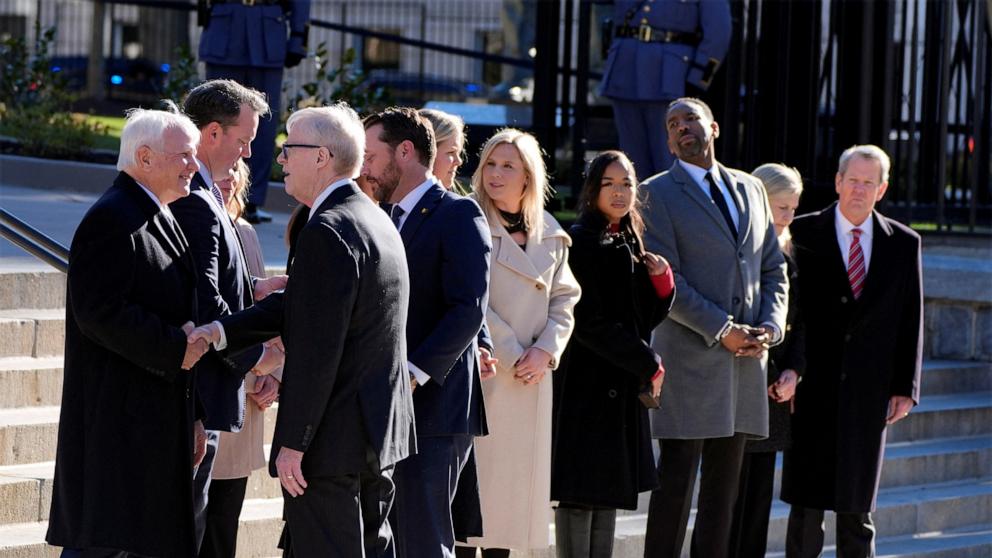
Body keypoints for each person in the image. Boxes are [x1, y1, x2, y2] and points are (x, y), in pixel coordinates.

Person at [189, 104, 416, 557]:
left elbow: (317, 349)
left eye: (289, 149)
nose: (281, 160)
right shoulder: (371, 218)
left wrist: (294, 442)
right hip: (375, 432)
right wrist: (221, 330)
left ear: (321, 157)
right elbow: (304, 308)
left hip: (332, 443)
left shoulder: (329, 229)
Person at [46, 108, 210, 557]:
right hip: (115, 430)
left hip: (148, 422)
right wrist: (177, 346)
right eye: (184, 155)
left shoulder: (155, 211)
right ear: (145, 156)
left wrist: (193, 414)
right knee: (101, 545)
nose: (194, 166)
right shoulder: (112, 217)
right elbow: (98, 313)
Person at [639, 97, 788, 558]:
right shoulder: (655, 192)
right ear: (667, 139)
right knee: (676, 487)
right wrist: (724, 330)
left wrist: (770, 325)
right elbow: (669, 281)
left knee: (725, 494)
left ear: (714, 127)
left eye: (690, 119)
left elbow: (772, 267)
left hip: (746, 364)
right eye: (672, 124)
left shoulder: (750, 188)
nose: (682, 128)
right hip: (691, 360)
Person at [362, 107, 492, 558]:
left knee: (423, 540)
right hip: (388, 409)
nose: (365, 167)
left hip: (435, 411)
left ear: (405, 151)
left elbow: (467, 310)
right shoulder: (381, 216)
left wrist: (413, 376)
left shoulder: (458, 214)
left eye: (370, 155)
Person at [781, 145, 923, 558]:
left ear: (882, 189)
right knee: (806, 507)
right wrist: (789, 370)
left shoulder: (904, 243)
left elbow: (910, 319)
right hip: (812, 385)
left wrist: (905, 387)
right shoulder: (804, 232)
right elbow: (793, 311)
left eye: (869, 183)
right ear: (838, 181)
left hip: (869, 390)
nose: (859, 190)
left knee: (858, 509)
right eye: (852, 180)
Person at [456, 129, 582, 558]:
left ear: (528, 175)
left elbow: (565, 296)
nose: (495, 173)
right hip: (487, 372)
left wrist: (547, 348)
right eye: (490, 163)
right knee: (474, 506)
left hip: (532, 378)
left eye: (507, 165)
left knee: (510, 510)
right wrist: (512, 351)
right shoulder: (467, 218)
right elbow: (469, 296)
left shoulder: (548, 229)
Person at [173, 78, 285, 553]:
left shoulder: (208, 192)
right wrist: (257, 354)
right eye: (243, 140)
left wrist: (256, 288)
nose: (246, 154)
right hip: (191, 389)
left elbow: (215, 280)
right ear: (212, 134)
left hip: (207, 390)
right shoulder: (192, 195)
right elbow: (202, 300)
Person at [551, 150, 674, 558]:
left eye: (626, 184)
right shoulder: (583, 239)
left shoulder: (628, 235)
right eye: (610, 184)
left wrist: (662, 285)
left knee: (606, 494)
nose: (619, 192)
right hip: (586, 387)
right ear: (593, 188)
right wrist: (647, 360)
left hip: (618, 384)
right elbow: (587, 321)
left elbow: (642, 318)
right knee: (581, 494)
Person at [200, 160, 285, 558]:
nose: (232, 174)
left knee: (224, 522)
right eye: (224, 167)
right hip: (218, 392)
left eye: (238, 168)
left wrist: (274, 375)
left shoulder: (247, 233)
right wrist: (259, 367)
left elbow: (261, 316)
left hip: (246, 397)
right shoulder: (201, 226)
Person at [727, 163, 806, 558]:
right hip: (737, 384)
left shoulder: (792, 251)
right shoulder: (739, 247)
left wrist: (795, 371)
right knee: (727, 499)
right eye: (781, 207)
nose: (788, 217)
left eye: (793, 208)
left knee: (758, 502)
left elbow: (800, 320)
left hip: (775, 393)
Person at [197, 0, 311, 223]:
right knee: (214, 120)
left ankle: (251, 201)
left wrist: (299, 36)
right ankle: (208, 189)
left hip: (267, 27)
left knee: (263, 126)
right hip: (225, 27)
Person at [600, 0, 731, 179]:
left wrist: (697, 78)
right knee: (631, 162)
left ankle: (671, 206)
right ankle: (634, 206)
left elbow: (718, 33)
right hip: (625, 72)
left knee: (669, 160)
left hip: (670, 78)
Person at [419, 108, 469, 194]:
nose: (459, 161)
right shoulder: (391, 203)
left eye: (458, 153)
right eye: (451, 152)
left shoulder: (460, 205)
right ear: (426, 152)